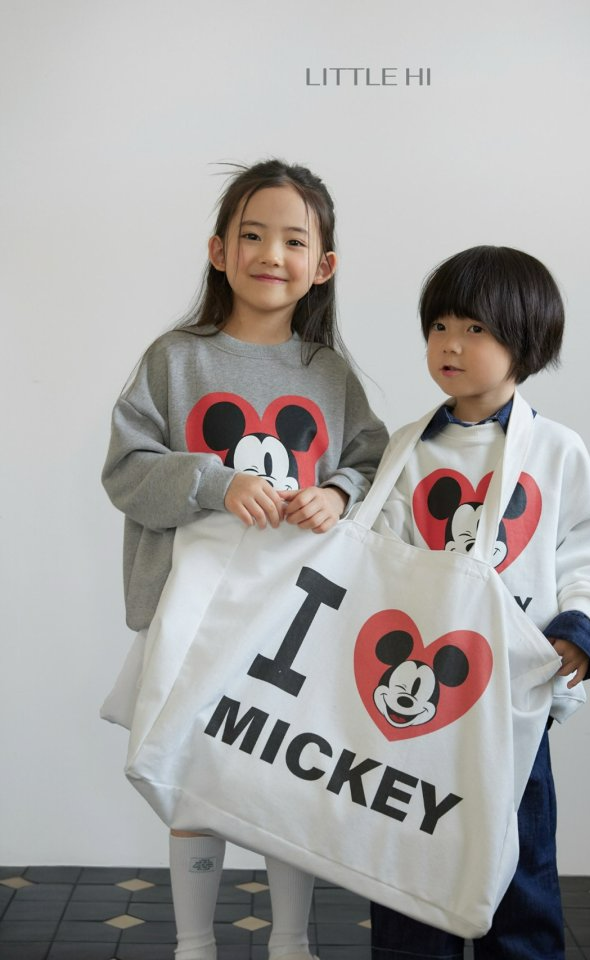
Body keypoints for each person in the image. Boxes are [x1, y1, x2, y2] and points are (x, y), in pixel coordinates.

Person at [101, 159, 388, 960]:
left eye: (294, 241)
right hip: (192, 620)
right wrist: (216, 482)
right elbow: (125, 472)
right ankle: (194, 943)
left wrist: (337, 492)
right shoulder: (175, 360)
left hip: (292, 628)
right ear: (218, 251)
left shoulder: (328, 374)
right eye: (252, 235)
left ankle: (290, 942)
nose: (271, 254)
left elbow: (373, 465)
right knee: (195, 780)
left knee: (282, 784)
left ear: (323, 265)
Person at [371, 246, 590, 960]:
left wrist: (579, 625)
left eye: (475, 329)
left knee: (519, 863)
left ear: (526, 342)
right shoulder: (408, 450)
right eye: (440, 326)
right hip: (418, 695)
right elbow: (378, 556)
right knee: (405, 856)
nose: (451, 344)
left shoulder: (557, 451)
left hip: (512, 696)